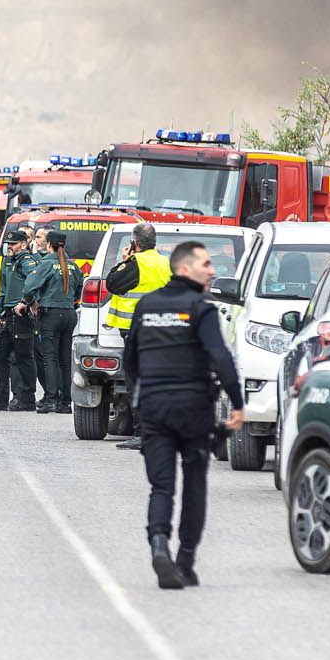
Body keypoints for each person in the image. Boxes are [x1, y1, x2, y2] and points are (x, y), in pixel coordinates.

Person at [123, 240, 244, 590]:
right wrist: (237, 404)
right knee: (194, 486)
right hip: (193, 409)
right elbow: (221, 358)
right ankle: (185, 561)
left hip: (154, 409)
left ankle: (159, 545)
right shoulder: (200, 307)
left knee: (161, 487)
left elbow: (130, 362)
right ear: (184, 268)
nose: (212, 270)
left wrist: (137, 404)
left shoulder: (146, 306)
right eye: (206, 264)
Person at [104, 222, 170, 451]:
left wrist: (123, 261)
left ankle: (143, 433)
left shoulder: (136, 263)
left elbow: (112, 284)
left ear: (135, 243)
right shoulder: (165, 263)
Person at [0, 227, 41, 411]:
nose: (9, 247)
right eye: (8, 244)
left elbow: (35, 282)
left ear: (23, 244)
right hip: (8, 315)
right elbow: (3, 289)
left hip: (21, 315)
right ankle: (0, 398)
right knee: (0, 356)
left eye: (12, 244)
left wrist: (25, 302)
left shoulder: (26, 261)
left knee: (24, 357)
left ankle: (27, 398)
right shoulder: (7, 261)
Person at [28, 229, 79, 414]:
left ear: (49, 244)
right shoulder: (73, 265)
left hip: (50, 315)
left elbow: (29, 287)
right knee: (65, 360)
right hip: (69, 314)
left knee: (50, 359)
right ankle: (65, 402)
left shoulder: (46, 263)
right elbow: (79, 290)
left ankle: (51, 399)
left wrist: (31, 302)